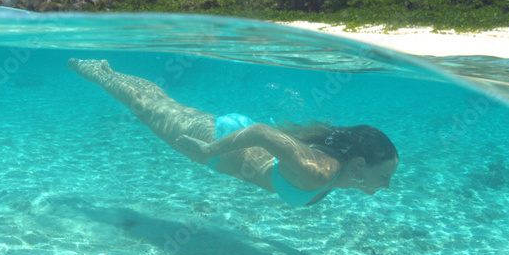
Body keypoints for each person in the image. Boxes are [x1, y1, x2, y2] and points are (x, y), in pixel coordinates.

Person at [68, 58, 398, 206]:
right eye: (384, 176)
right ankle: (93, 71)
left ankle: (106, 69)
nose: (387, 184)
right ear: (359, 166)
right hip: (217, 142)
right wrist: (208, 152)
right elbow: (261, 132)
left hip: (229, 136)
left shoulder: (335, 169)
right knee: (146, 107)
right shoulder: (319, 172)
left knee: (159, 104)